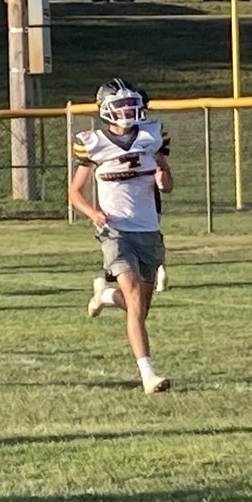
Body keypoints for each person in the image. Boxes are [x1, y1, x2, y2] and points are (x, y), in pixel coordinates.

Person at [69, 78, 174, 394]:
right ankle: (148, 375)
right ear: (106, 110)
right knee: (132, 295)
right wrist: (93, 213)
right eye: (122, 105)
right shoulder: (93, 143)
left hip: (148, 230)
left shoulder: (152, 137)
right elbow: (75, 191)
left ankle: (104, 295)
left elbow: (168, 184)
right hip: (115, 231)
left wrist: (162, 177)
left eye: (132, 104)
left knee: (139, 307)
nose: (128, 111)